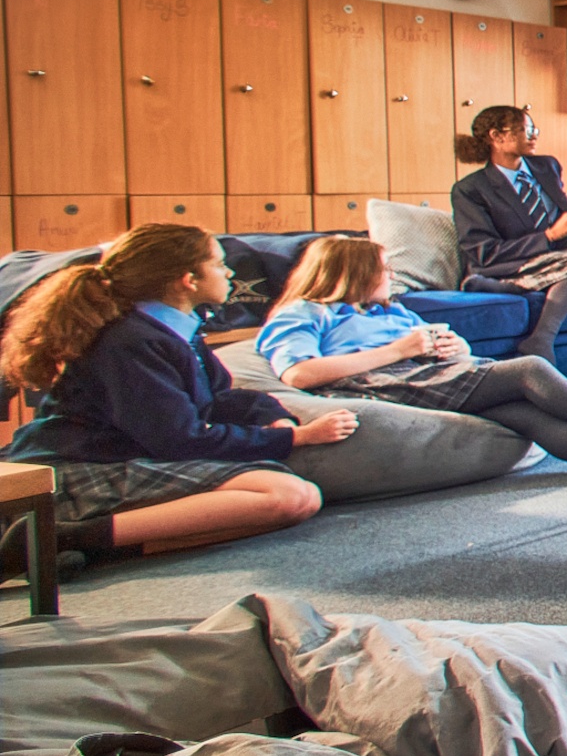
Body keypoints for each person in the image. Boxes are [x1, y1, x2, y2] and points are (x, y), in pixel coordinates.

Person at [0, 224, 354, 581]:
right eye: (219, 264)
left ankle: (96, 545)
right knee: (287, 495)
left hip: (123, 457)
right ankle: (54, 538)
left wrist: (274, 416)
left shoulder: (176, 328)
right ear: (188, 280)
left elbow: (216, 397)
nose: (230, 273)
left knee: (300, 497)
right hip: (75, 469)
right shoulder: (129, 341)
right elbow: (179, 439)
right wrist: (295, 439)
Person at [255, 237, 567, 477]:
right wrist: (397, 350)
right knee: (530, 368)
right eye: (384, 269)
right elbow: (299, 374)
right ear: (351, 273)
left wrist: (455, 348)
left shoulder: (388, 309)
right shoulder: (306, 312)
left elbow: (428, 342)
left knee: (518, 412)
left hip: (431, 372)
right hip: (383, 383)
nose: (391, 276)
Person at [452, 105, 567, 366]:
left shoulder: (546, 166)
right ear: (497, 137)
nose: (534, 135)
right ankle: (542, 337)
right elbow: (483, 251)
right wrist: (548, 235)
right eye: (526, 130)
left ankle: (513, 288)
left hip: (558, 258)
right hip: (510, 262)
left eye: (534, 129)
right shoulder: (470, 189)